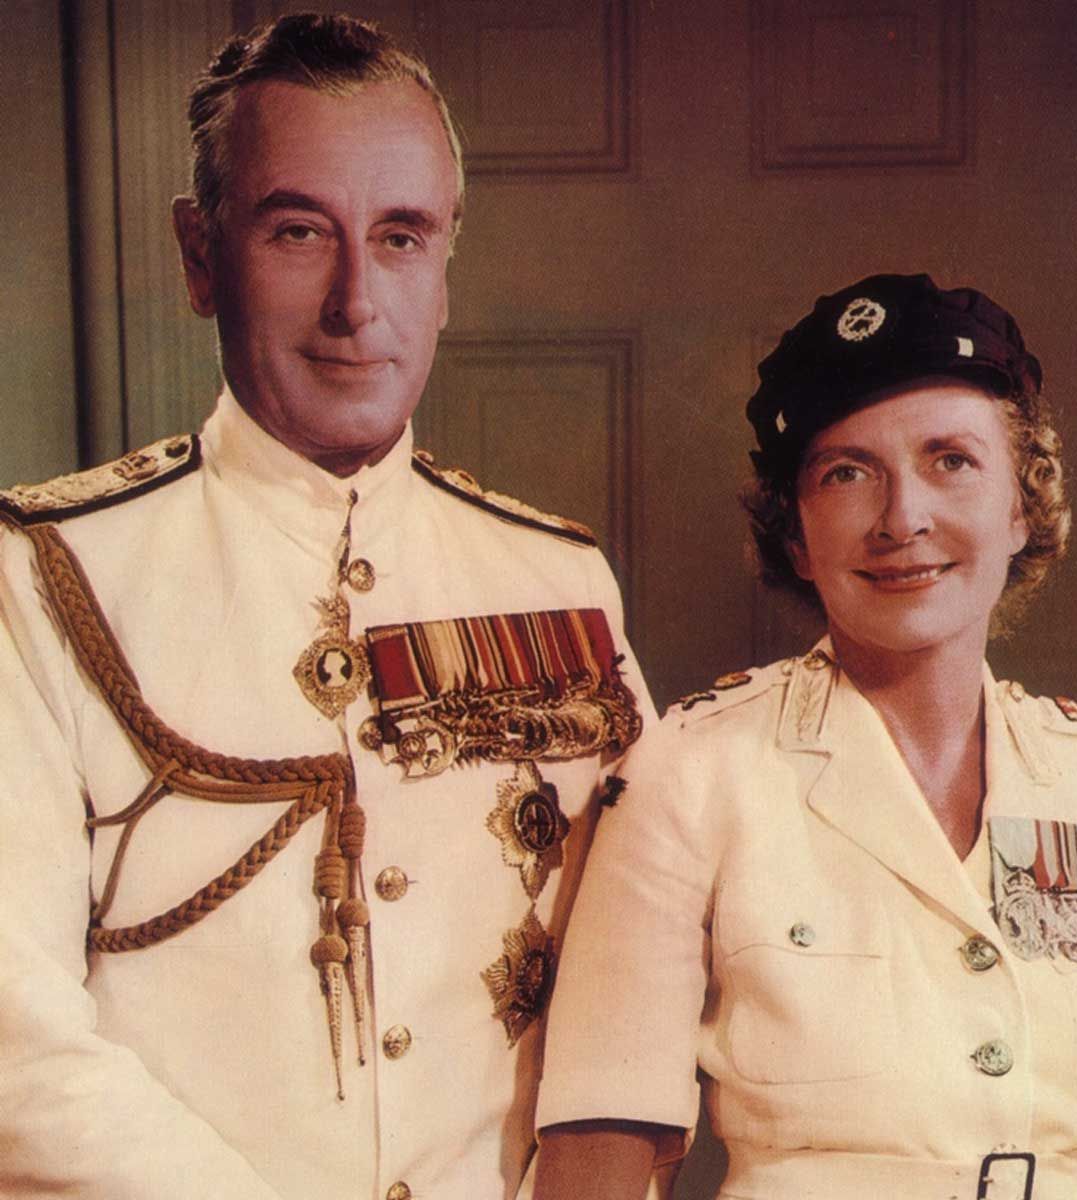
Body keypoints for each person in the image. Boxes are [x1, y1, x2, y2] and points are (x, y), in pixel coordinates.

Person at [0, 13, 651, 1200]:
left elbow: (646, 985)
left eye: (400, 237)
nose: (358, 301)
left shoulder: (557, 580)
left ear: (444, 269)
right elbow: (15, 1047)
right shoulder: (44, 579)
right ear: (200, 254)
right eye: (298, 231)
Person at [532, 273, 1077, 1200]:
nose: (902, 519)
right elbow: (599, 1149)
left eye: (951, 460)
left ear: (1020, 508)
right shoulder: (694, 773)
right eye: (846, 473)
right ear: (795, 536)